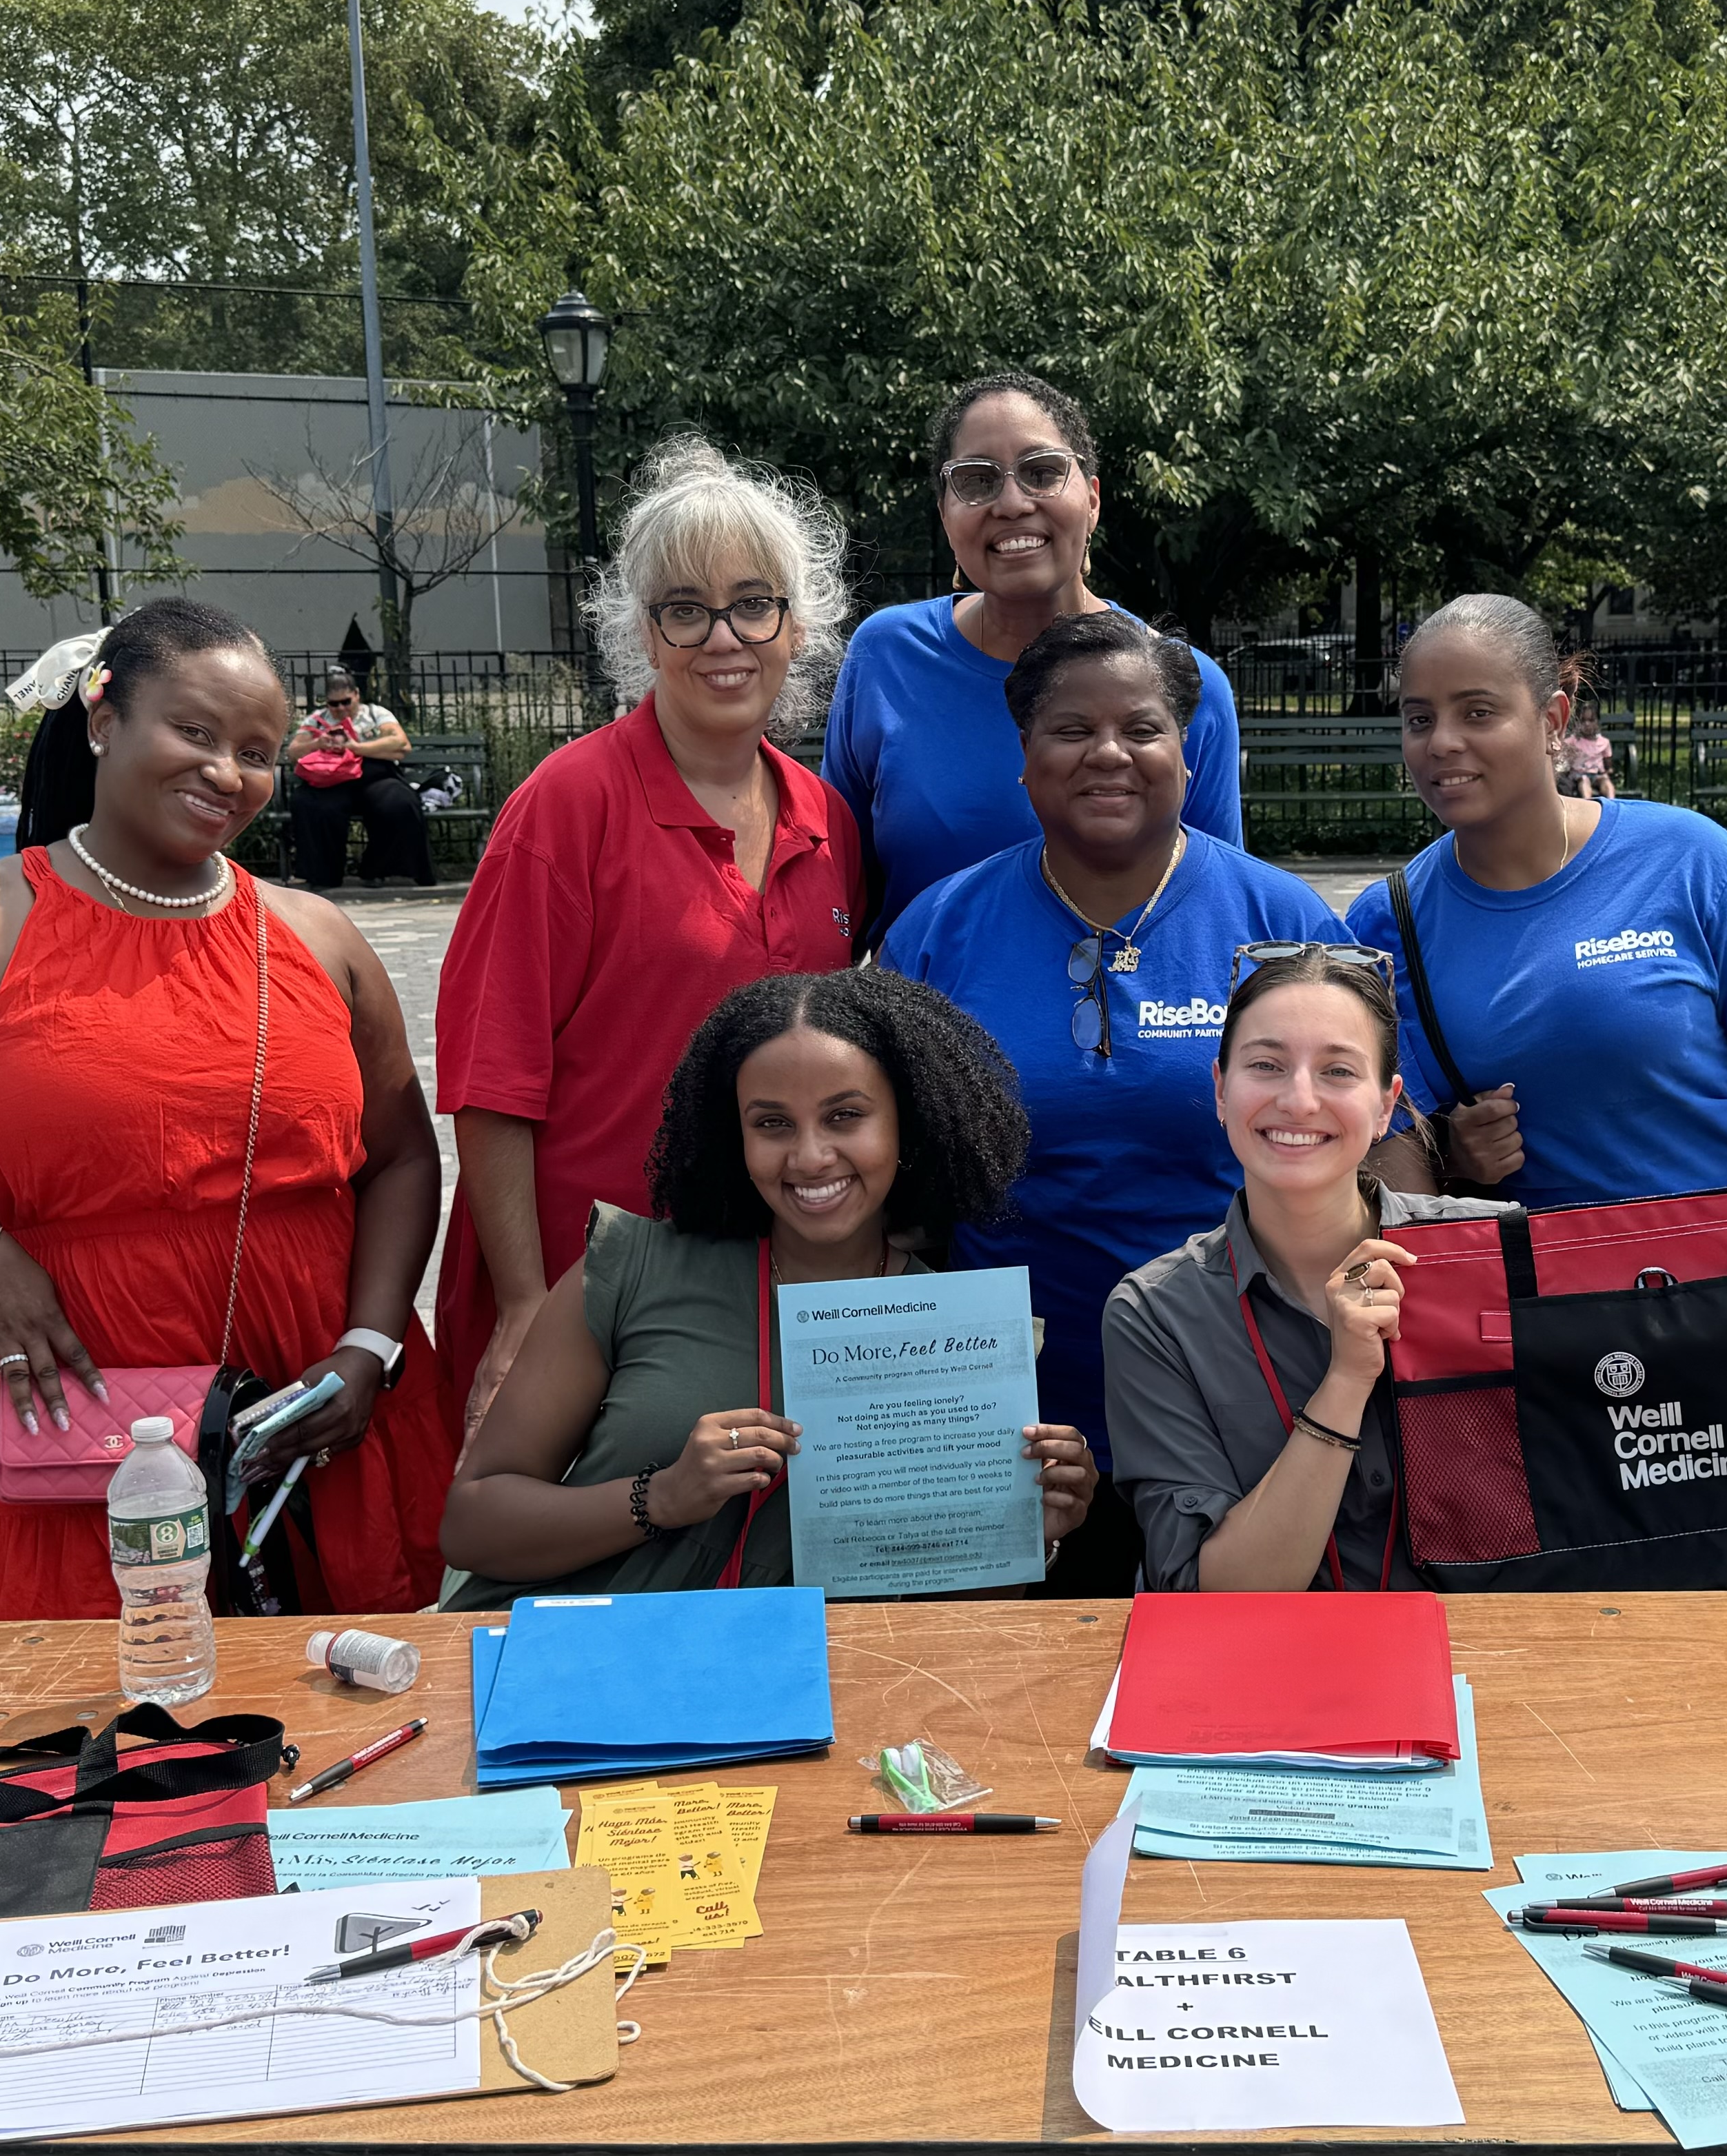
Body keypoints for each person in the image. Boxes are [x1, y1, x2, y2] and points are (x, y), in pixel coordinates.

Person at [0, 598, 457, 1618]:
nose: (227, 773)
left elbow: (403, 1158)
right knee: (106, 1723)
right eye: (194, 732)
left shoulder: (318, 936)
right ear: (103, 720)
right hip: (88, 1394)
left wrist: (369, 1347)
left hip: (317, 1404)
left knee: (347, 1691)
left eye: (258, 751)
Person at [877, 610, 1342, 1594]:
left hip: (1248, 1408)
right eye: (1071, 729)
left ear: (1186, 748)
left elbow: (1366, 1153)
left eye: (1141, 728)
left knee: (1241, 1710)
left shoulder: (1282, 923)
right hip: (1015, 1432)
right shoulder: (934, 932)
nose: (1108, 754)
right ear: (1025, 756)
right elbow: (887, 1179)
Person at [436, 437, 866, 1426]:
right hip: (579, 1289)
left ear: (798, 627)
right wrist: (518, 1310)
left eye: (753, 603)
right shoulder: (567, 806)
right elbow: (490, 1077)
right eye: (686, 609)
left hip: (756, 1277)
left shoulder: (825, 819)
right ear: (645, 633)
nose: (724, 637)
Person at [441, 970, 1095, 1601]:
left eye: (845, 1116)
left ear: (909, 1123)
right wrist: (661, 1497)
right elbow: (469, 1526)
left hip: (822, 1697)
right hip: (585, 1672)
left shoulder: (960, 1335)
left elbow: (946, 1622)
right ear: (735, 1135)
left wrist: (1029, 1533)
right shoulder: (631, 1268)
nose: (810, 1157)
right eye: (772, 1123)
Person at [1338, 594, 1727, 1249]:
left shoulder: (1689, 857)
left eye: (1479, 712)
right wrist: (1453, 1161)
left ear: (1554, 719)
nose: (1442, 742)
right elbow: (1387, 1137)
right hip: (1541, 1304)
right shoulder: (1387, 923)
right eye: (1418, 718)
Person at [1100, 949, 1497, 1590]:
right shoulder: (1154, 1314)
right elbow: (1213, 1598)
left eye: (1339, 1070)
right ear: (1221, 1090)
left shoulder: (1487, 1251)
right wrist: (1345, 1380)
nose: (1300, 1100)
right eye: (1266, 1065)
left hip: (1482, 1661)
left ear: (1386, 1106)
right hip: (1266, 1675)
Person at [822, 371, 1245, 925]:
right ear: (946, 514)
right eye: (977, 480)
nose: (1012, 503)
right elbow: (839, 898)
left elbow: (1215, 909)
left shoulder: (1184, 684)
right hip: (912, 1005)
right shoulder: (887, 657)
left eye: (1042, 472)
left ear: (1092, 500)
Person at [290, 667, 432, 889]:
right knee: (309, 803)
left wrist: (356, 748)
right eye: (334, 704)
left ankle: (380, 870)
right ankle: (323, 876)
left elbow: (401, 743)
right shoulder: (317, 720)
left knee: (400, 802)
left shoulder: (376, 714)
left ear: (357, 694)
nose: (341, 709)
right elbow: (294, 751)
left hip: (374, 776)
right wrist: (318, 743)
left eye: (346, 701)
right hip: (332, 779)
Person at [1558, 703, 1617, 800]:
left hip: (1598, 774)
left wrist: (1609, 769)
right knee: (1585, 782)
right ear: (1578, 723)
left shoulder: (1604, 742)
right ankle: (1588, 803)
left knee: (1606, 782)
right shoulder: (1574, 741)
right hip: (1579, 775)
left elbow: (1608, 762)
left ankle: (1612, 803)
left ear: (1597, 722)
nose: (1587, 724)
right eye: (1583, 721)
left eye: (1591, 720)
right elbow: (1561, 751)